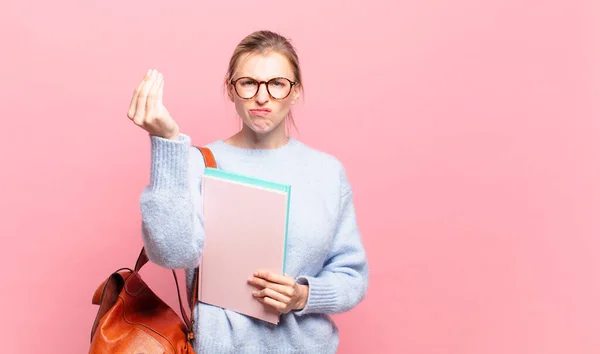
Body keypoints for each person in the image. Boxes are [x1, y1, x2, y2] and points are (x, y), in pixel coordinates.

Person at [127, 30, 369, 354]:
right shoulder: (198, 163)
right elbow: (171, 253)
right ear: (231, 89)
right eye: (248, 83)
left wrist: (303, 296)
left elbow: (352, 276)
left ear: (295, 92)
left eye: (277, 83)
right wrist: (167, 143)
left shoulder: (327, 173)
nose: (262, 97)